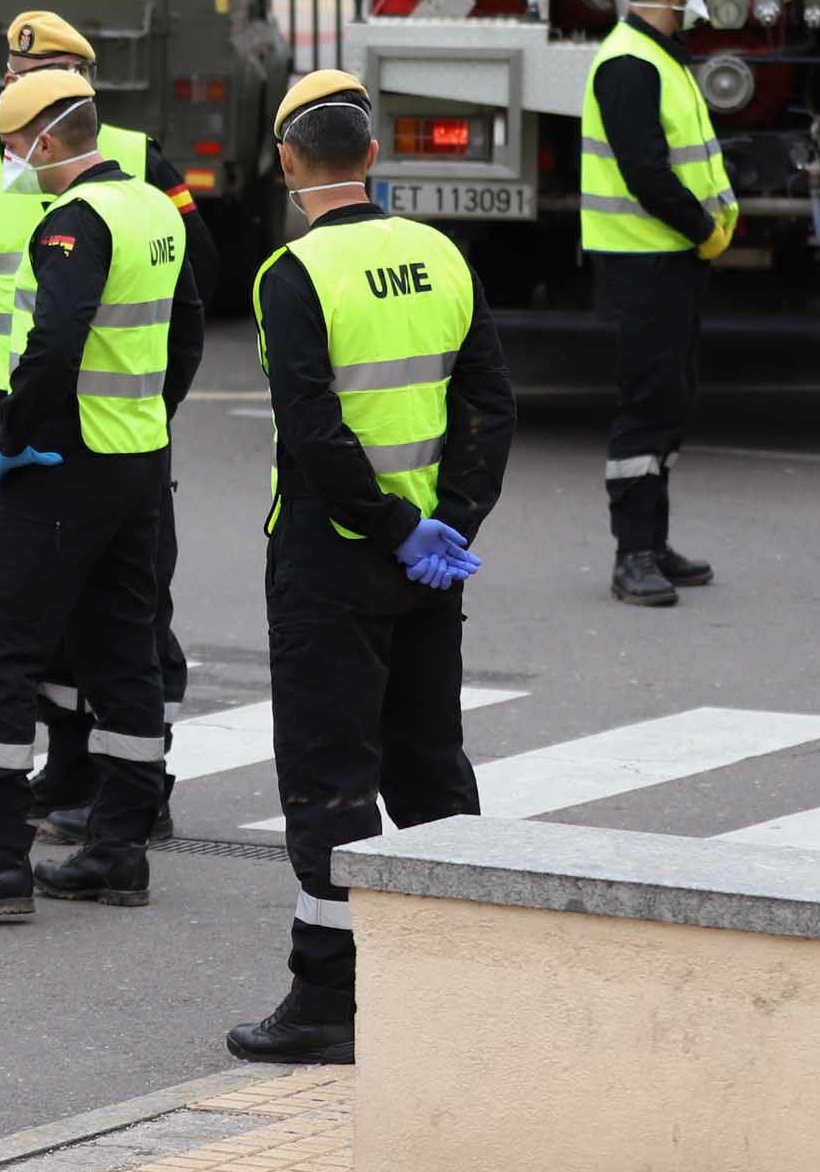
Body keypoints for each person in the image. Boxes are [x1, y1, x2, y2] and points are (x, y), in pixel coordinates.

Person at [227, 70, 515, 1065]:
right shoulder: (442, 253)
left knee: (330, 775)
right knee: (430, 760)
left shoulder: (291, 273)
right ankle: (466, 966)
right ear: (375, 158)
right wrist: (448, 522)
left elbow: (312, 428)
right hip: (433, 564)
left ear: (290, 162)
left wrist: (390, 522)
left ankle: (325, 998)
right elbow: (489, 404)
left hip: (334, 556)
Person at [0, 68, 204, 921]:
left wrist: (16, 438)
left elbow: (53, 342)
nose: (8, 161)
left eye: (11, 146)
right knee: (122, 652)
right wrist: (150, 414)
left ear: (44, 140)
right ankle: (117, 849)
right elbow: (187, 330)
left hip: (64, 465)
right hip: (136, 456)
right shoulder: (148, 206)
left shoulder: (74, 223)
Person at [579, 0, 737, 608]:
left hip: (671, 259)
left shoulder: (661, 59)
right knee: (646, 406)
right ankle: (632, 554)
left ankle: (655, 541)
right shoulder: (629, 64)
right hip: (647, 259)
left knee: (672, 400)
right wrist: (704, 229)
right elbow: (646, 171)